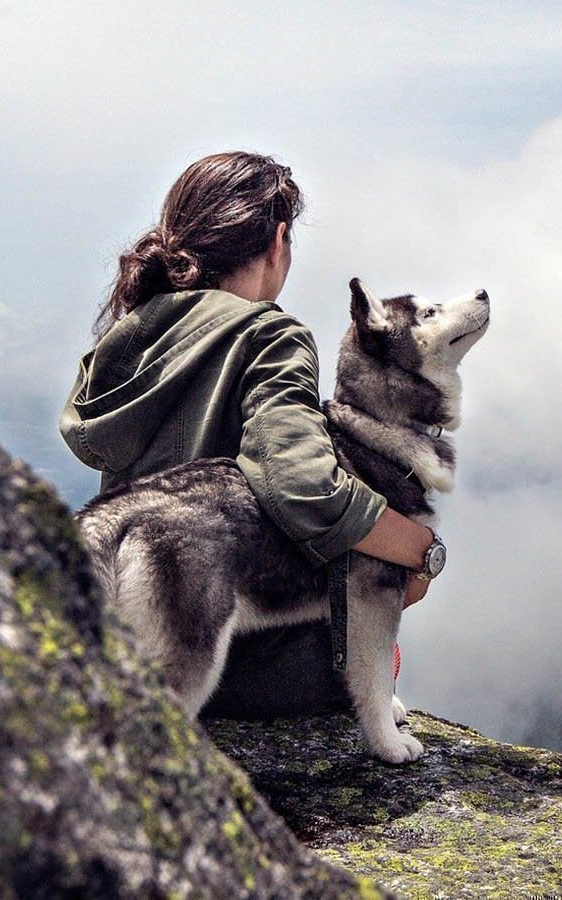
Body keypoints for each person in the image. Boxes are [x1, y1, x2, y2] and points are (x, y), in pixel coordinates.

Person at [59, 151, 439, 718]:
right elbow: (303, 482)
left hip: (126, 637)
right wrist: (419, 549)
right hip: (228, 658)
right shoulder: (269, 335)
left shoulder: (128, 338)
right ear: (278, 240)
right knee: (381, 647)